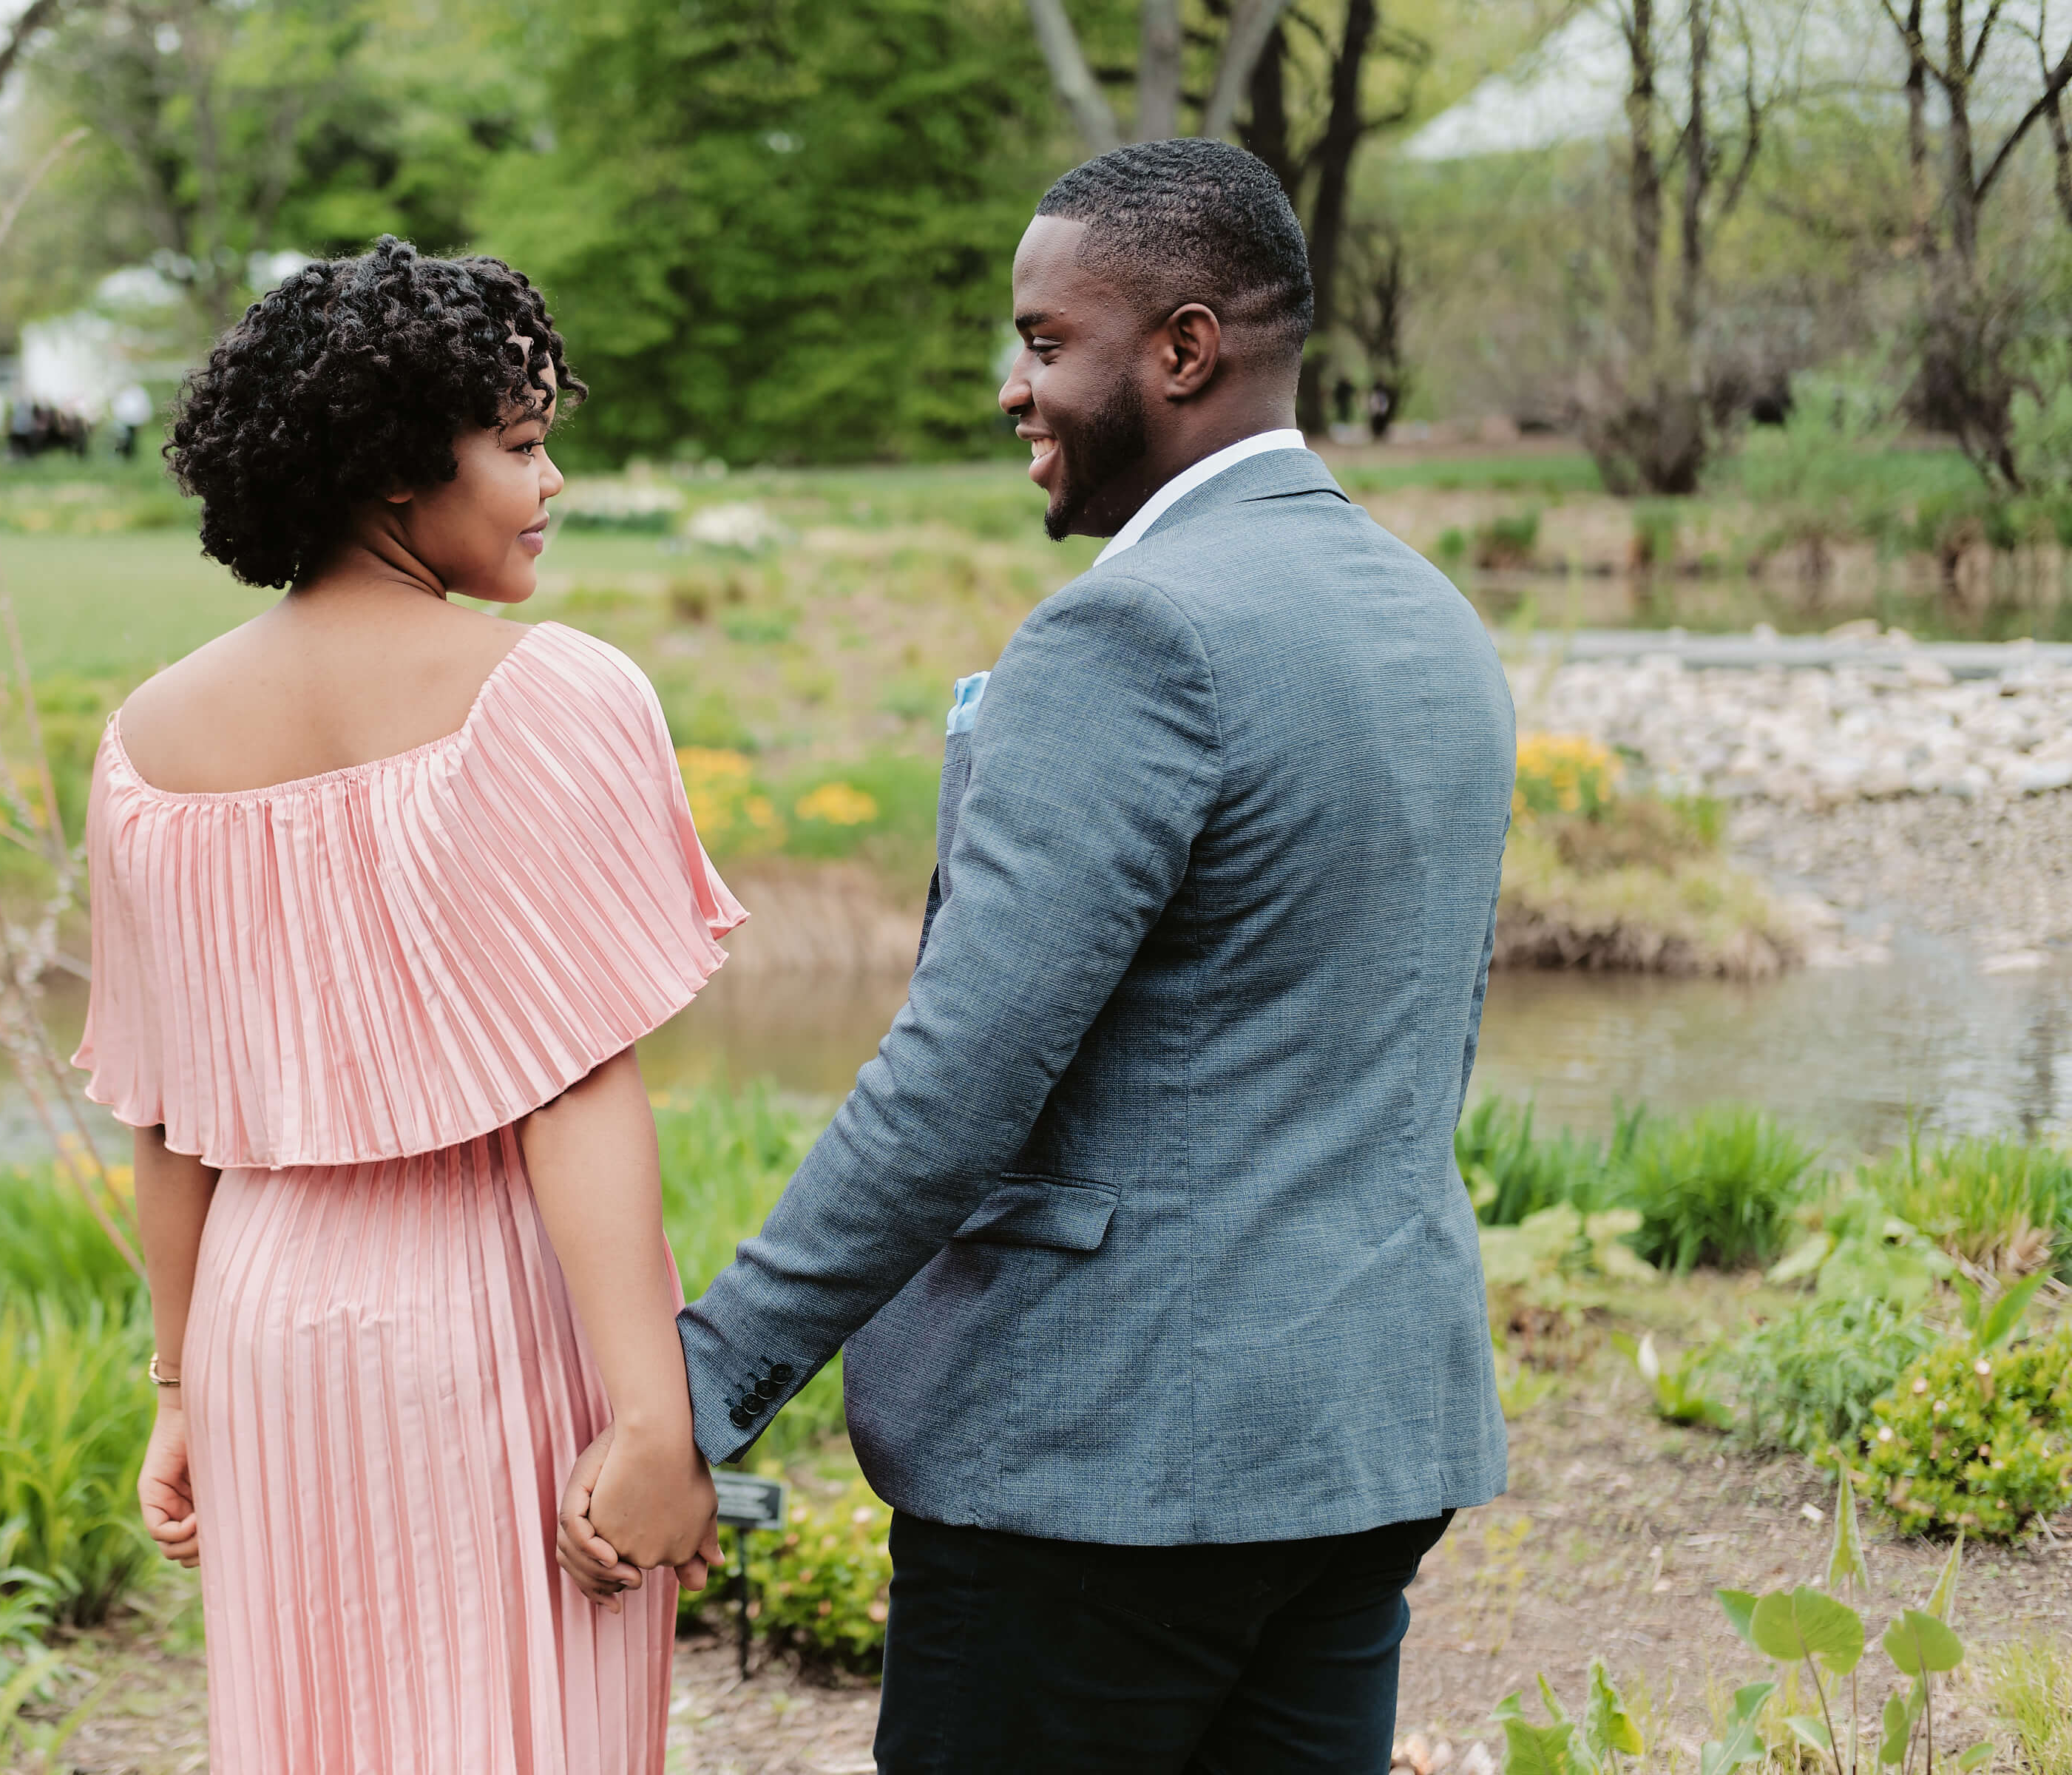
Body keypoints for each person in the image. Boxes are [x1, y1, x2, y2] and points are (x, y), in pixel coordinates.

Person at [563, 140, 1515, 1770]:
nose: (1016, 388)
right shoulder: (1430, 616)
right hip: (1363, 1443)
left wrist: (701, 1388)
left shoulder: (1131, 634)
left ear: (1185, 349)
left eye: (1046, 341)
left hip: (1106, 1473)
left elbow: (961, 1077)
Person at [78, 237, 730, 1775]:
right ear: (391, 478)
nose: (553, 479)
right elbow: (574, 1091)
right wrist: (656, 1424)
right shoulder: (555, 695)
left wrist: (178, 1385)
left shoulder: (146, 743)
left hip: (268, 1328)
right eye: (518, 445)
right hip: (490, 1310)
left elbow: (169, 1122)